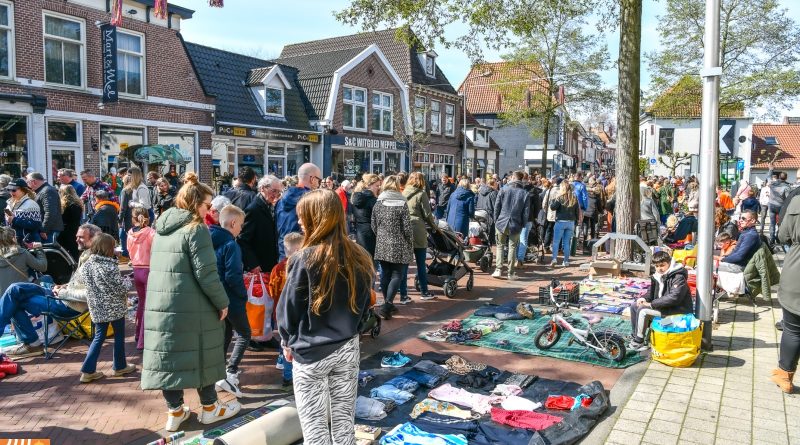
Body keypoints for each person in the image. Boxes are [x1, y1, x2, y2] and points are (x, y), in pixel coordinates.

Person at [141, 172, 240, 432]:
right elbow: (206, 272)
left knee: (168, 356)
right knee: (203, 350)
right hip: (193, 304)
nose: (210, 211)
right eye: (208, 206)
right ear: (197, 204)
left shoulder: (162, 227)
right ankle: (210, 407)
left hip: (162, 305)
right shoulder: (196, 229)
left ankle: (175, 411)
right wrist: (222, 302)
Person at [276, 189, 373, 445]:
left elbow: (288, 309)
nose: (299, 222)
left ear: (315, 218)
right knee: (343, 424)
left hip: (311, 351)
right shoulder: (360, 255)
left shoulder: (304, 258)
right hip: (347, 345)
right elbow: (366, 305)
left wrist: (287, 341)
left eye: (302, 216)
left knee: (315, 429)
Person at [0, 223, 100, 358]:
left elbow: (89, 294)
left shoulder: (94, 262)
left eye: (81, 237)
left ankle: (33, 344)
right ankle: (33, 344)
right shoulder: (86, 256)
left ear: (95, 239)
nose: (76, 239)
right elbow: (79, 284)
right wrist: (64, 286)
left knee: (14, 292)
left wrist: (63, 292)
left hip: (67, 305)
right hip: (62, 298)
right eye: (76, 236)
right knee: (14, 297)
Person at [77, 233, 136, 383]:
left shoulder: (87, 264)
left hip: (97, 307)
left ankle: (88, 370)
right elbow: (120, 289)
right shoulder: (109, 266)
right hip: (114, 307)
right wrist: (129, 280)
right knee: (118, 336)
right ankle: (120, 366)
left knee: (98, 337)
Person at [209, 205, 250, 398]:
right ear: (233, 223)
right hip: (231, 297)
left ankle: (218, 373)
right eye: (240, 225)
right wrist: (243, 294)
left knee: (225, 333)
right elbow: (234, 275)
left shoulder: (209, 240)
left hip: (217, 296)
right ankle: (231, 371)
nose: (241, 229)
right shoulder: (231, 245)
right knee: (244, 334)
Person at [628, 251, 693, 351]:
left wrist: (651, 304)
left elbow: (674, 297)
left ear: (670, 263)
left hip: (677, 317)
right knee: (634, 306)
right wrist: (643, 298)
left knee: (643, 311)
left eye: (662, 265)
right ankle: (635, 334)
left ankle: (639, 341)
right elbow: (651, 292)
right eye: (657, 266)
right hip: (665, 310)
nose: (659, 268)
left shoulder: (678, 277)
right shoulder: (657, 276)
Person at [372, 176, 413, 318]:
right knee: (397, 274)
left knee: (385, 274)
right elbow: (407, 228)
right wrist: (409, 242)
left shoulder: (378, 203)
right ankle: (388, 304)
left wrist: (381, 236)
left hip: (382, 243)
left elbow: (374, 224)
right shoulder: (402, 203)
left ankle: (387, 304)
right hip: (398, 244)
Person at [772, 190, 800, 393]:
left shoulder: (797, 203)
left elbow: (783, 235)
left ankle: (785, 377)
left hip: (796, 275)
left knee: (793, 329)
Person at [269, 232, 305, 386]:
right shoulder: (301, 268)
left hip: (280, 313)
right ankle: (291, 376)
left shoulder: (277, 269)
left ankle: (286, 374)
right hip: (297, 315)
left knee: (284, 341)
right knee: (295, 345)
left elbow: (272, 290)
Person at [403, 172, 438, 301]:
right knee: (420, 263)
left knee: (405, 264)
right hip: (418, 229)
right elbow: (427, 214)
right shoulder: (421, 193)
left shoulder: (403, 192)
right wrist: (434, 227)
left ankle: (403, 294)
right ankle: (424, 292)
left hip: (405, 228)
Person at [276, 163, 320, 259]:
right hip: (303, 252)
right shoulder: (312, 199)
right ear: (312, 179)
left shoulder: (282, 197)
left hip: (284, 250)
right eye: (318, 180)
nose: (319, 184)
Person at [239, 175, 282, 273]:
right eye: (274, 191)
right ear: (263, 188)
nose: (276, 195)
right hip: (260, 266)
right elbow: (242, 240)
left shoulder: (271, 206)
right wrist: (253, 264)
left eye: (279, 192)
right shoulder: (253, 209)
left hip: (271, 263)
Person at [492, 171, 530, 280]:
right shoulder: (524, 193)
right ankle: (510, 273)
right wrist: (523, 224)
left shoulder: (504, 189)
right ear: (522, 179)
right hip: (516, 223)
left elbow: (497, 206)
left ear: (513, 177)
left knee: (500, 246)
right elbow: (526, 212)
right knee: (512, 247)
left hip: (501, 222)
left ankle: (498, 269)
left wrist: (496, 220)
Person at [127, 207, 155, 351]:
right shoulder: (151, 233)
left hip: (136, 270)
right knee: (147, 306)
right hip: (148, 270)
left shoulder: (130, 234)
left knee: (141, 304)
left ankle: (138, 334)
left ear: (133, 218)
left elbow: (129, 252)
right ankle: (142, 341)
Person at [0, 226, 47, 296]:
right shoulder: (21, 253)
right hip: (22, 297)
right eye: (16, 237)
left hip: (5, 302)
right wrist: (39, 249)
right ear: (13, 239)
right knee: (47, 279)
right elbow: (43, 267)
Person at [120, 167, 152, 260]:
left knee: (140, 238)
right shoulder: (136, 187)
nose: (128, 177)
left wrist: (132, 203)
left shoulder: (141, 188)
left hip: (143, 214)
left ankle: (140, 259)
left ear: (134, 176)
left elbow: (144, 205)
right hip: (138, 214)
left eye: (129, 175)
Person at [718, 209, 761, 274]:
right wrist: (725, 257)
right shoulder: (746, 232)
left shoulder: (750, 235)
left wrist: (721, 259)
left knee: (707, 266)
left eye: (743, 218)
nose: (740, 220)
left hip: (741, 267)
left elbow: (739, 257)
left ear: (753, 220)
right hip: (738, 264)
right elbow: (736, 252)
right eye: (740, 218)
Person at [550, 181, 581, 267]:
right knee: (567, 242)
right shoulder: (574, 197)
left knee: (556, 242)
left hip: (560, 222)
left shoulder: (560, 197)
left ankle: (554, 259)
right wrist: (577, 221)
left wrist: (553, 199)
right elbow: (577, 211)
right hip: (571, 222)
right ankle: (566, 261)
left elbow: (553, 207)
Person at [26, 172, 63, 243]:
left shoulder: (47, 191)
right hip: (48, 229)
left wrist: (44, 230)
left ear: (33, 182)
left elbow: (50, 212)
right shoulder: (42, 191)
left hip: (49, 230)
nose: (27, 185)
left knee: (48, 252)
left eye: (27, 182)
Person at [350, 174, 381, 258]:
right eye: (377, 185)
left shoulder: (355, 197)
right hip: (371, 233)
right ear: (369, 185)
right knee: (371, 263)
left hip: (360, 233)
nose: (379, 187)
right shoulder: (372, 200)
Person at [4, 178, 42, 245]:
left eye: (14, 190)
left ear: (23, 190)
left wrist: (14, 219)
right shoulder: (9, 203)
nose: (11, 192)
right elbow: (9, 223)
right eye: (9, 190)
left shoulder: (31, 204)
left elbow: (36, 225)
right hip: (13, 242)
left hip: (28, 242)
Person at [58, 184, 83, 261]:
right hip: (76, 229)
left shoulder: (66, 205)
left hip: (66, 231)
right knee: (75, 251)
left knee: (64, 251)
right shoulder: (78, 204)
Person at [769, 169, 791, 243]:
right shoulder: (787, 187)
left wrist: (770, 170)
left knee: (772, 224)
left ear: (779, 177)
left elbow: (768, 178)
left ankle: (771, 240)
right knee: (780, 223)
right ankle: (778, 238)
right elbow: (788, 199)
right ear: (786, 178)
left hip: (771, 205)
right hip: (780, 206)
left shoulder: (772, 184)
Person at [476, 178, 498, 245]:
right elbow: (495, 206)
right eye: (496, 183)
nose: (497, 185)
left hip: (480, 214)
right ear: (493, 184)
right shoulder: (493, 192)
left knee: (482, 234)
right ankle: (489, 251)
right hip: (489, 215)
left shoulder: (480, 191)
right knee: (490, 236)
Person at [540, 179, 557, 252]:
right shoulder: (558, 191)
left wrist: (546, 211)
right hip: (557, 215)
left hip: (549, 214)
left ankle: (546, 246)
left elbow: (544, 204)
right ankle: (555, 248)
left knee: (548, 230)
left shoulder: (548, 191)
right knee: (554, 231)